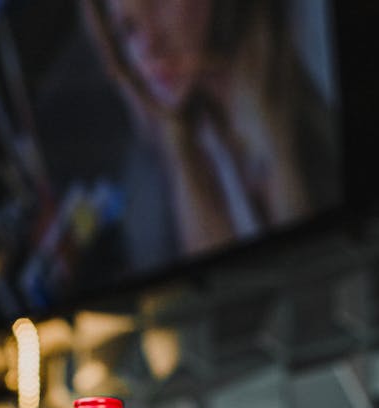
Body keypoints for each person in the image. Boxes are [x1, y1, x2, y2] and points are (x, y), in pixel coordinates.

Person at [83, 0, 339, 257]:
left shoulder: (311, 39)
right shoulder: (192, 147)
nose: (147, 46)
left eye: (156, 3)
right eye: (128, 29)